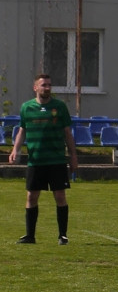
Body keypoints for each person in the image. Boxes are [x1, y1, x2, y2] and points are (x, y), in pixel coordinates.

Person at [7, 74, 77, 245]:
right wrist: (15, 149)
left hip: (56, 160)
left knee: (60, 196)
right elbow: (22, 130)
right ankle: (30, 236)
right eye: (44, 85)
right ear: (35, 88)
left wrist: (73, 156)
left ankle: (62, 235)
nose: (47, 88)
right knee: (31, 196)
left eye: (49, 85)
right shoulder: (27, 107)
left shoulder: (59, 107)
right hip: (36, 160)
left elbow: (67, 133)